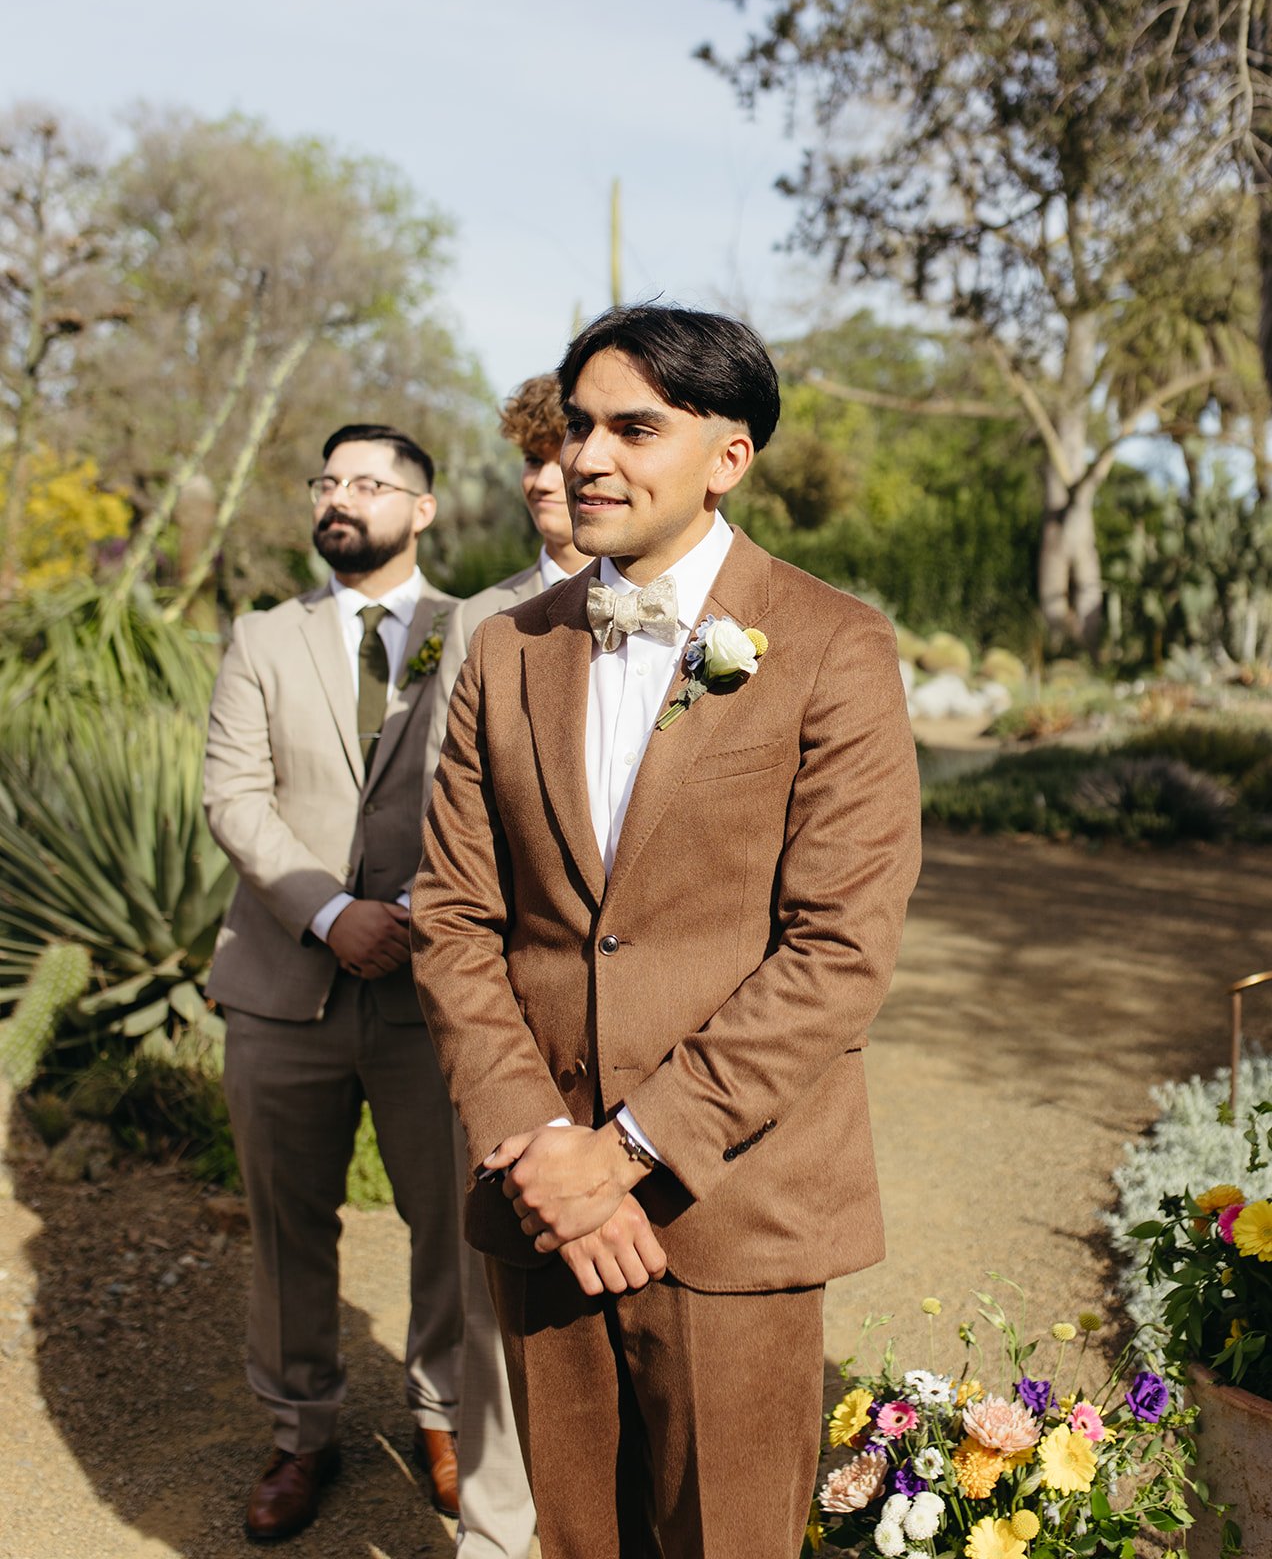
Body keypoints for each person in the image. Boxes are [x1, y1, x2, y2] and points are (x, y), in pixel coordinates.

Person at [412, 306, 922, 1559]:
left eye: (634, 427)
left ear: (729, 456)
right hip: (539, 1206)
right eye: (579, 424)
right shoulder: (502, 648)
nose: (588, 457)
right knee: (579, 1542)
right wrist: (544, 1151)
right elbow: (457, 921)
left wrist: (629, 1151)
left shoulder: (832, 644)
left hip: (733, 1201)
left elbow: (836, 951)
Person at [204, 423, 464, 1542]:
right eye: (328, 481)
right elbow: (233, 795)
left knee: (451, 1219)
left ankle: (447, 1416)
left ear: (425, 509)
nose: (340, 498)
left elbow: (503, 791)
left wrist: (411, 914)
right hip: (283, 983)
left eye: (369, 482)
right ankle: (300, 1430)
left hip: (432, 989)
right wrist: (329, 911)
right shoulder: (262, 638)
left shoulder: (480, 631)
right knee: (286, 1223)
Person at [422, 373, 588, 1558]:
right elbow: (453, 836)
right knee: (501, 1290)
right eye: (529, 455)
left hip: (655, 1020)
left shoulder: (730, 616)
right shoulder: (482, 624)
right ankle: (494, 1529)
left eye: (557, 448)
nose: (542, 475)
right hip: (510, 1015)